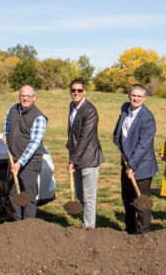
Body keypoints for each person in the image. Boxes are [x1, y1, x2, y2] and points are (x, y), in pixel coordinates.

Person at [113, 84, 157, 234]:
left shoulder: (147, 118)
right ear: (129, 95)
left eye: (139, 96)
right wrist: (117, 142)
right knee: (127, 199)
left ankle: (143, 233)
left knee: (141, 202)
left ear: (144, 98)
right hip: (127, 163)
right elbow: (119, 131)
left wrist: (132, 165)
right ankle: (130, 231)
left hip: (142, 166)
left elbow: (144, 145)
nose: (136, 98)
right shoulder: (125, 108)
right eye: (133, 95)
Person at [3, 85, 48, 221]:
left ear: (33, 98)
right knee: (13, 193)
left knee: (28, 195)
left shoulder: (39, 117)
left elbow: (34, 143)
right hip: (13, 158)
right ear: (19, 96)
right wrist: (6, 134)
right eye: (23, 95)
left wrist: (20, 163)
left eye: (28, 96)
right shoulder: (13, 109)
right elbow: (7, 123)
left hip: (30, 162)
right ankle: (17, 222)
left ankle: (28, 225)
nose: (25, 98)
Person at [66, 79, 105, 228]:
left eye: (79, 91)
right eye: (73, 90)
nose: (76, 93)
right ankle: (85, 222)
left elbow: (84, 138)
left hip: (88, 157)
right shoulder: (72, 106)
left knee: (89, 197)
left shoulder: (90, 111)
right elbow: (73, 133)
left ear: (84, 92)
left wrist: (72, 161)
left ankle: (89, 228)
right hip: (76, 156)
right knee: (80, 195)